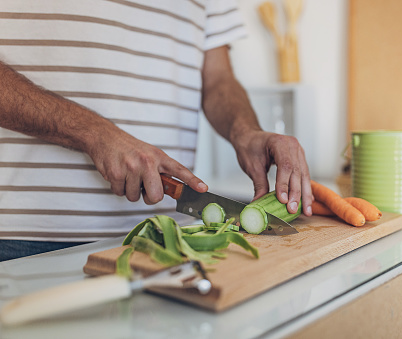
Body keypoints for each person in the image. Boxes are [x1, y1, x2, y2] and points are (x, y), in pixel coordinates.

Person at [0, 1, 312, 261]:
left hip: (168, 237)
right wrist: (94, 132)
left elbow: (218, 79)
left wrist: (246, 132)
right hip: (25, 238)